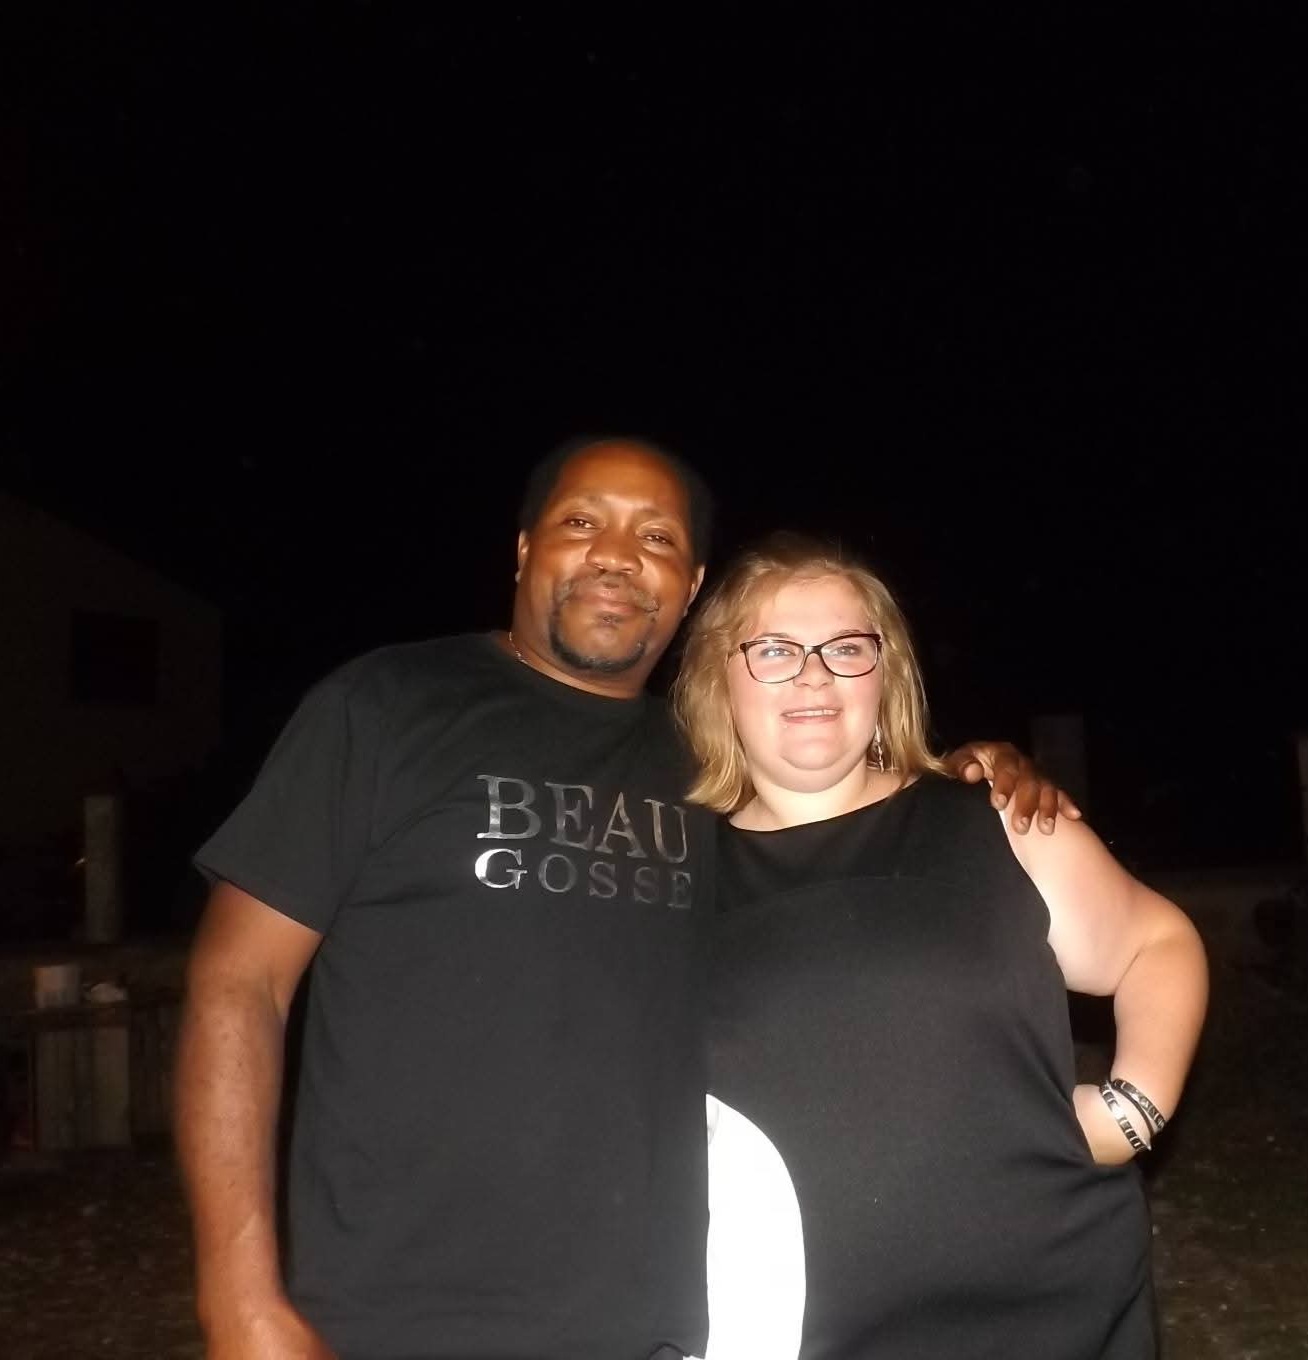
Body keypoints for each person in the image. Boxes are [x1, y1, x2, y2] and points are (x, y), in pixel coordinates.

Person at [174, 438, 1071, 1360]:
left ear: (692, 588)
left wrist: (966, 774)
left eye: (657, 537)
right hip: (393, 1314)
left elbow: (847, 815)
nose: (617, 554)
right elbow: (239, 984)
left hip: (658, 1325)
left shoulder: (711, 766)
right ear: (525, 550)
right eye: (581, 521)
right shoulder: (387, 704)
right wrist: (239, 1302)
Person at [671, 532, 1209, 1360]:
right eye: (774, 649)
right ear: (719, 675)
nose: (814, 674)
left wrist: (1131, 1112)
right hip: (793, 1328)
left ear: (885, 674)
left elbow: (1156, 944)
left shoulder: (993, 824)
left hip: (1051, 1309)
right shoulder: (664, 875)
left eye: (846, 648)